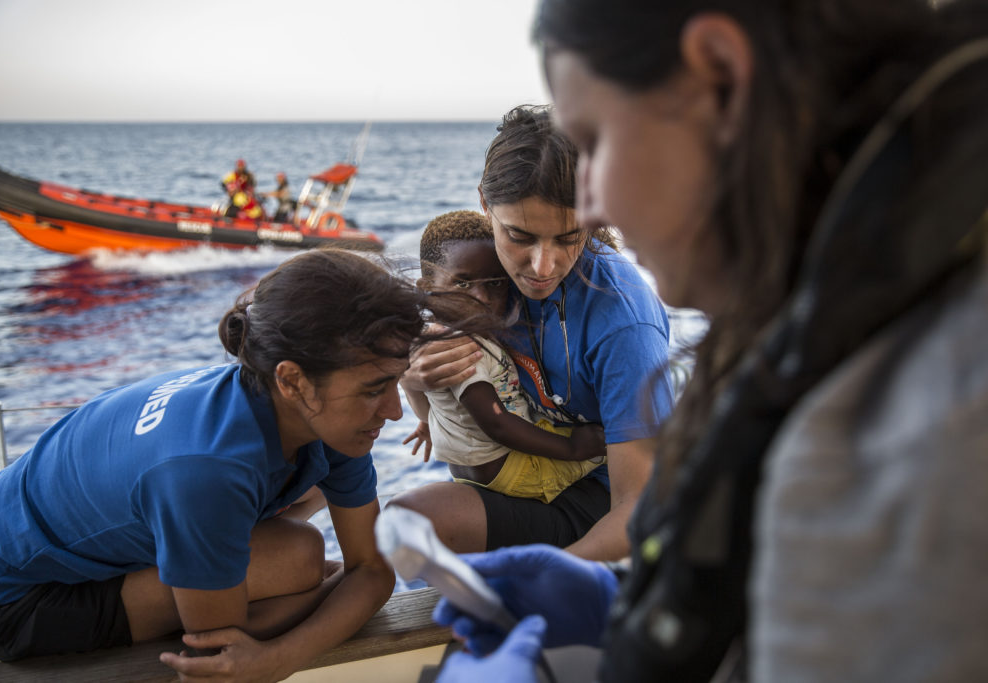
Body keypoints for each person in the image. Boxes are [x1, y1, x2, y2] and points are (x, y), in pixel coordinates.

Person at [433, 1, 988, 682]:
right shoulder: (828, 324)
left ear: (721, 76)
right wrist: (628, 609)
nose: (594, 206)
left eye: (598, 142)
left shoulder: (912, 417)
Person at [0, 249, 432, 681]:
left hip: (57, 535)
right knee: (301, 556)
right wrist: (278, 658)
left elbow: (371, 569)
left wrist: (351, 587)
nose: (394, 410)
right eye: (374, 389)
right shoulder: (206, 471)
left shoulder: (308, 408)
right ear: (294, 380)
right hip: (6, 599)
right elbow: (218, 653)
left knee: (307, 521)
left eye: (395, 384)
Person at [390, 105, 674, 561]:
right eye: (519, 237)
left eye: (567, 238)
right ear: (485, 204)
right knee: (402, 528)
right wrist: (412, 376)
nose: (542, 269)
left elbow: (642, 505)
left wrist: (550, 576)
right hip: (518, 476)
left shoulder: (624, 322)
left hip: (600, 502)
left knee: (424, 521)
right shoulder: (481, 282)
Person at [403, 209, 607, 504]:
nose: (481, 299)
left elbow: (440, 401)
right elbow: (497, 422)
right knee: (614, 448)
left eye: (495, 284)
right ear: (428, 290)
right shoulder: (458, 347)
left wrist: (429, 421)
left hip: (476, 472)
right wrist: (574, 449)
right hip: (513, 471)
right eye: (462, 284)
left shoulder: (434, 335)